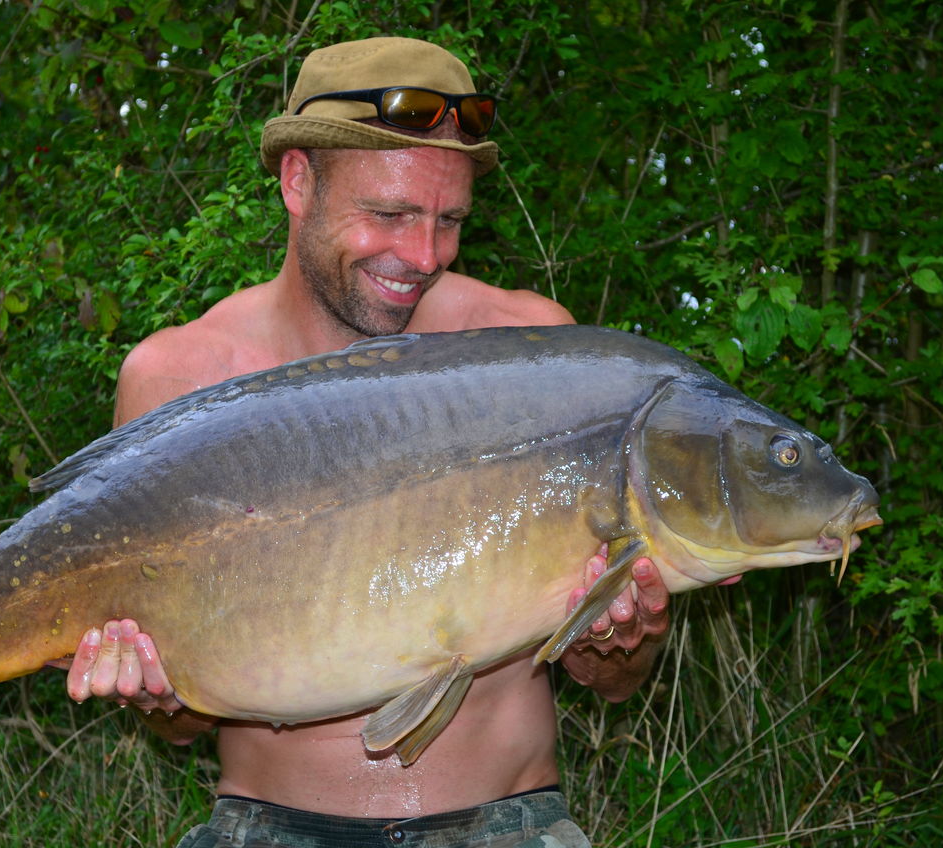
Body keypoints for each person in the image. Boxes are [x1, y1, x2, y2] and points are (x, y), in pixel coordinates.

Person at [62, 37, 671, 848]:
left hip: (508, 826)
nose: (423, 256)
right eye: (389, 214)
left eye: (448, 221)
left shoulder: (534, 353)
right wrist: (155, 693)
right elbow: (178, 727)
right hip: (264, 830)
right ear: (298, 181)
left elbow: (613, 681)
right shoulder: (179, 380)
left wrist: (621, 641)